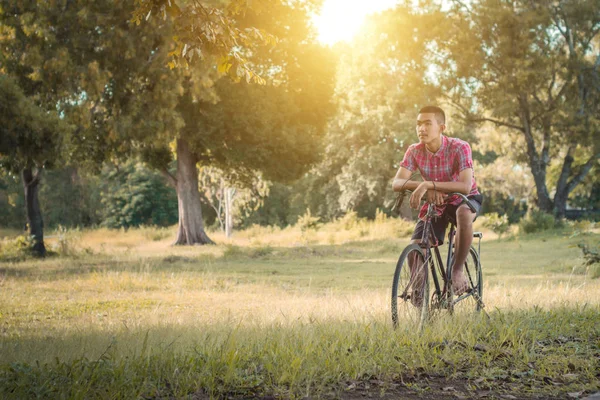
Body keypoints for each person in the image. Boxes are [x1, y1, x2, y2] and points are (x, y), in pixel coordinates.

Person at [392, 105, 483, 302]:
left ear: (442, 127)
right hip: (436, 205)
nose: (421, 129)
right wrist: (426, 188)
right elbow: (397, 183)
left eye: (427, 123)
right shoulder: (414, 151)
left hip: (464, 199)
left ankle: (457, 271)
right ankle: (421, 301)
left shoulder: (460, 147)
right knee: (415, 250)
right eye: (418, 124)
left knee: (463, 214)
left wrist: (429, 184)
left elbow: (465, 186)